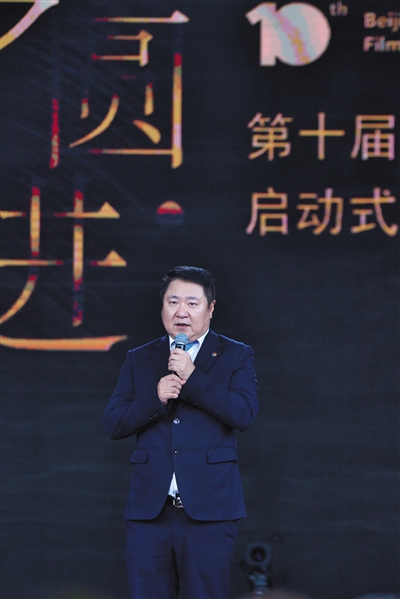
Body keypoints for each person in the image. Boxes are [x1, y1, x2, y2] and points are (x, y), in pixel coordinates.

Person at [103, 265, 259, 599]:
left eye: (192, 303)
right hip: (150, 513)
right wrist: (155, 398)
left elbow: (244, 413)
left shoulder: (235, 354)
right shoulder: (140, 358)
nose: (181, 312)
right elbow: (114, 423)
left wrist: (193, 377)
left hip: (210, 512)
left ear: (210, 308)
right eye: (173, 302)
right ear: (162, 306)